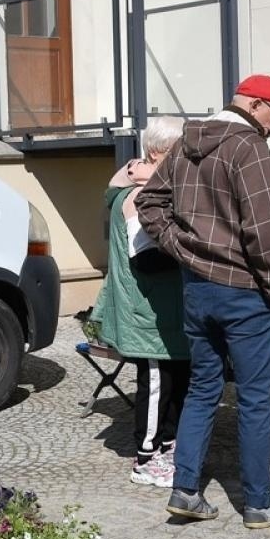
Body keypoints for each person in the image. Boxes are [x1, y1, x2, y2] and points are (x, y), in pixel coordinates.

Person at [137, 75, 270, 528]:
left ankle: (185, 491)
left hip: (199, 290)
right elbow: (265, 233)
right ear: (254, 103)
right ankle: (259, 503)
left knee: (203, 389)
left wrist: (183, 249)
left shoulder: (189, 142)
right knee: (253, 399)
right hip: (246, 292)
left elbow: (149, 203)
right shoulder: (248, 147)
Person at [91, 117, 191, 486]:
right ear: (155, 152)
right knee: (156, 383)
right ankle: (146, 459)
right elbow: (146, 259)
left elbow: (110, 188)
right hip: (146, 310)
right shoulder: (140, 195)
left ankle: (168, 446)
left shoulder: (146, 183)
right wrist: (192, 251)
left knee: (175, 379)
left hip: (164, 310)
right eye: (176, 153)